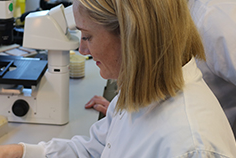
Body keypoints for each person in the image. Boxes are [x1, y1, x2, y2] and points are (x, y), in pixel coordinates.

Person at [0, 0, 236, 158]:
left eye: (88, 36)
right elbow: (93, 154)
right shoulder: (141, 91)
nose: (81, 49)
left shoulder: (192, 155)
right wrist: (13, 152)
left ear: (132, 35)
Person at [85, 0, 236, 137]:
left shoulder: (217, 19)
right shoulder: (167, 8)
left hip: (193, 136)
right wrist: (127, 113)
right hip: (166, 124)